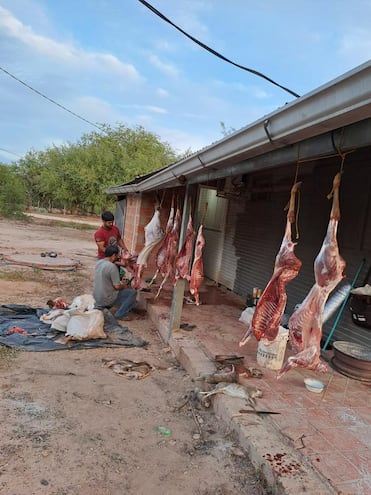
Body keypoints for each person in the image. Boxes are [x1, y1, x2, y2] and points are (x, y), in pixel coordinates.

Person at [93, 245, 137, 320]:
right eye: (117, 255)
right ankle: (120, 314)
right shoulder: (112, 267)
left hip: (96, 298)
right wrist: (124, 286)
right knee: (132, 293)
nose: (118, 257)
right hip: (106, 299)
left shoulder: (99, 262)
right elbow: (117, 287)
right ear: (113, 255)